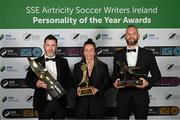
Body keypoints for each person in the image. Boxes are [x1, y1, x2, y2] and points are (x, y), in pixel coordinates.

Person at [112, 25, 161, 120]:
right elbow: (114, 75)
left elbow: (157, 76)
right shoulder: (118, 54)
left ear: (138, 36)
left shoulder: (148, 54)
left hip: (141, 97)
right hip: (123, 98)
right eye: (128, 34)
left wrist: (148, 83)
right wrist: (114, 82)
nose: (131, 36)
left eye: (134, 34)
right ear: (125, 36)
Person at [26, 34, 73, 119]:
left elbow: (69, 81)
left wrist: (61, 89)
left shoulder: (63, 62)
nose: (50, 48)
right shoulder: (35, 62)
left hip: (60, 103)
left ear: (56, 46)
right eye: (48, 45)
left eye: (53, 45)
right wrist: (37, 84)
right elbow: (28, 80)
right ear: (44, 46)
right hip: (43, 104)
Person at [73, 38, 110, 119]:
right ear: (83, 52)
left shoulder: (103, 66)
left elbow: (107, 84)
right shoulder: (77, 66)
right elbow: (74, 83)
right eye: (86, 50)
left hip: (98, 106)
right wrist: (77, 88)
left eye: (91, 50)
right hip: (81, 107)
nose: (88, 53)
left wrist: (98, 90)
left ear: (95, 52)